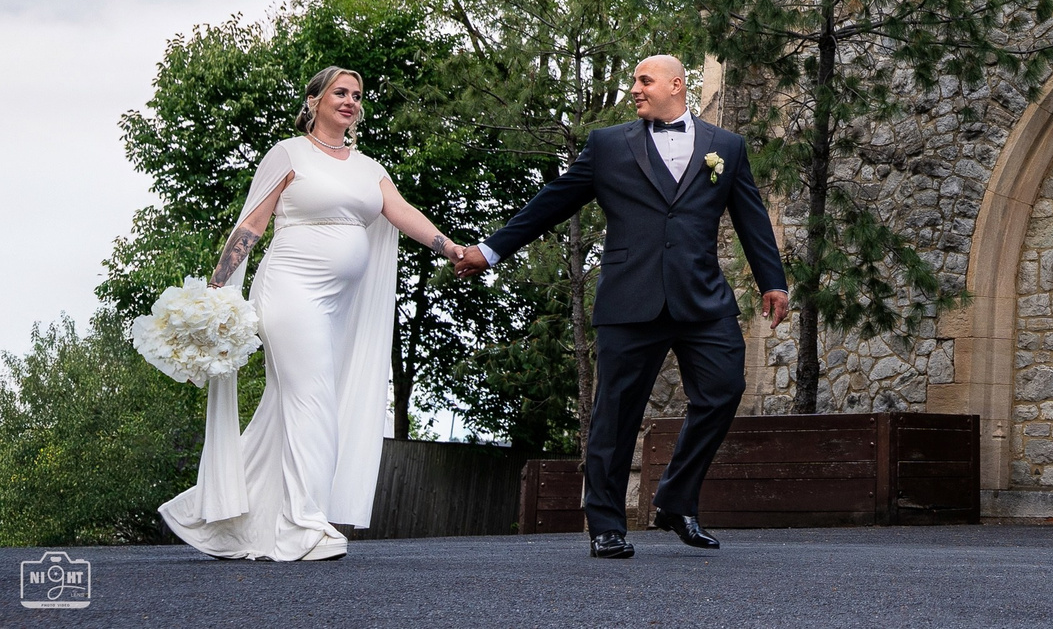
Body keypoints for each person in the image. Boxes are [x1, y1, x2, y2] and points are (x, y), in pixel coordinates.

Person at [457, 55, 788, 558]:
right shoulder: (608, 145)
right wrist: (491, 249)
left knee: (724, 389)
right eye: (634, 79)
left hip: (702, 297)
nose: (634, 88)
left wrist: (773, 281)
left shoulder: (726, 147)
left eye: (644, 80)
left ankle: (676, 501)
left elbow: (751, 216)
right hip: (630, 300)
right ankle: (607, 524)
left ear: (676, 85)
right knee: (615, 414)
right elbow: (554, 200)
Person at [161, 66, 470, 560]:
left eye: (357, 95)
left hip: (338, 304)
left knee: (287, 409)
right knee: (315, 397)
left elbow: (402, 211)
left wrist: (449, 247)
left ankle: (211, 515)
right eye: (339, 92)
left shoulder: (369, 167)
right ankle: (303, 524)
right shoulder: (288, 154)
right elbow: (252, 225)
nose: (349, 101)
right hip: (289, 289)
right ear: (314, 100)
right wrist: (217, 290)